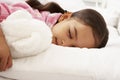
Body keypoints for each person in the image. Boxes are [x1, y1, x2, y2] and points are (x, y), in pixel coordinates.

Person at [0, 0, 109, 71]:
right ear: (65, 17)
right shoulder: (32, 17)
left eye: (73, 47)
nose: (65, 44)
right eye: (70, 34)